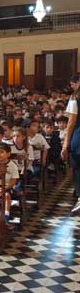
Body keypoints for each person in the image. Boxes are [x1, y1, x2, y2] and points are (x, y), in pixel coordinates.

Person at [62, 74, 80, 215]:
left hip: (78, 137)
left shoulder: (75, 99)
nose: (72, 85)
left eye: (74, 82)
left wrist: (65, 143)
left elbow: (71, 122)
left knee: (78, 169)